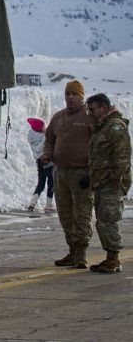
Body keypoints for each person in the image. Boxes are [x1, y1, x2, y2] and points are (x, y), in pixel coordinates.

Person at [39, 79, 92, 268]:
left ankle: (81, 254)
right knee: (65, 215)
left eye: (74, 94)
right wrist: (47, 154)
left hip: (81, 174)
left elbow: (99, 144)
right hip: (61, 173)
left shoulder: (89, 117)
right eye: (67, 94)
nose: (70, 97)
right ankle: (72, 250)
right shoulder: (59, 117)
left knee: (81, 215)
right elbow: (49, 139)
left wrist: (92, 171)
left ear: (81, 96)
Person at [85, 93, 130, 273]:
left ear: (104, 107)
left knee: (108, 220)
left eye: (93, 109)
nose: (90, 113)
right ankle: (111, 258)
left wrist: (115, 179)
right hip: (102, 181)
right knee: (103, 220)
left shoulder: (115, 127)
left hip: (112, 183)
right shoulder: (101, 127)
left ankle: (114, 259)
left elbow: (122, 157)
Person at [26, 117, 55, 214]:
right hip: (48, 161)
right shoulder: (44, 137)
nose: (45, 127)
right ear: (39, 128)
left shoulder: (32, 137)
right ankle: (49, 205)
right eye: (43, 126)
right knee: (51, 183)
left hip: (39, 162)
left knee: (41, 183)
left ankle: (32, 203)